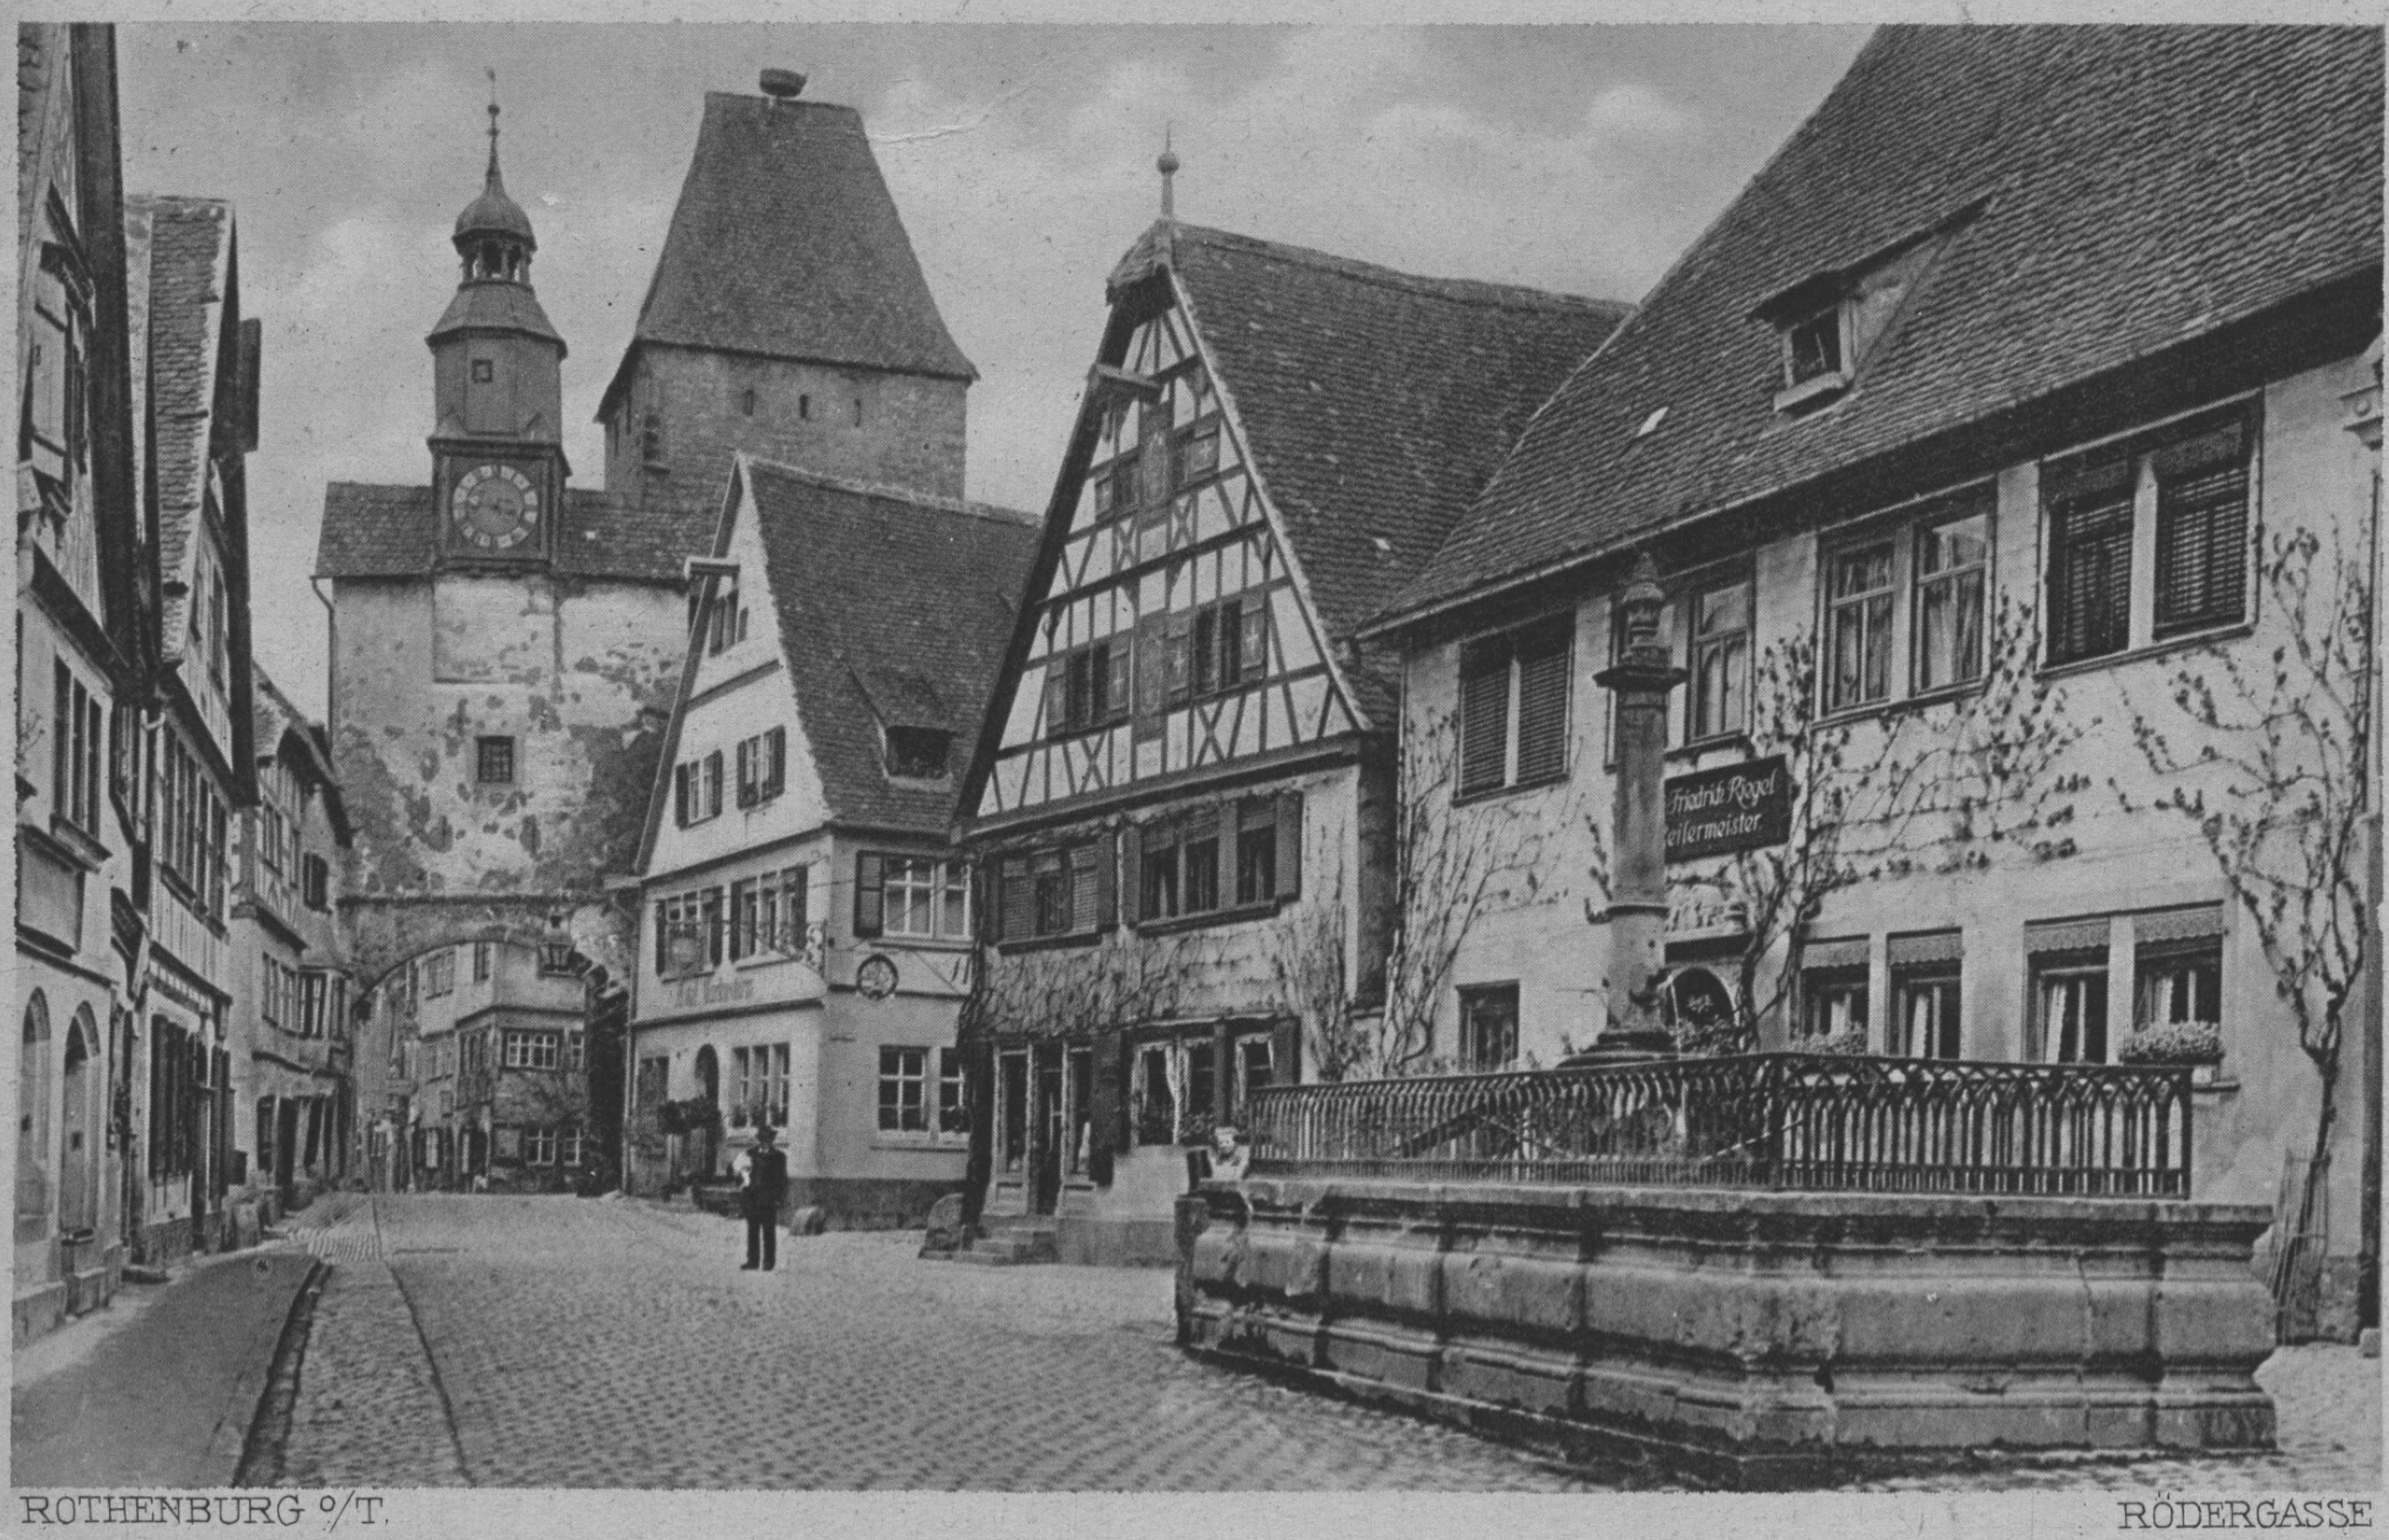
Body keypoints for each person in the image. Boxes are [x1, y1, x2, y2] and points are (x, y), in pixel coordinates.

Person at [739, 1124, 789, 1271]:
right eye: (763, 1139)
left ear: (772, 1140)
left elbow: (782, 1179)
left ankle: (769, 1262)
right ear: (760, 1140)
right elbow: (743, 1174)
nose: (766, 1142)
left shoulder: (779, 1157)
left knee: (769, 1232)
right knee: (752, 1231)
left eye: (769, 1139)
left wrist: (780, 1198)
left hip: (769, 1199)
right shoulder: (750, 1154)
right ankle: (752, 1261)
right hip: (753, 1198)